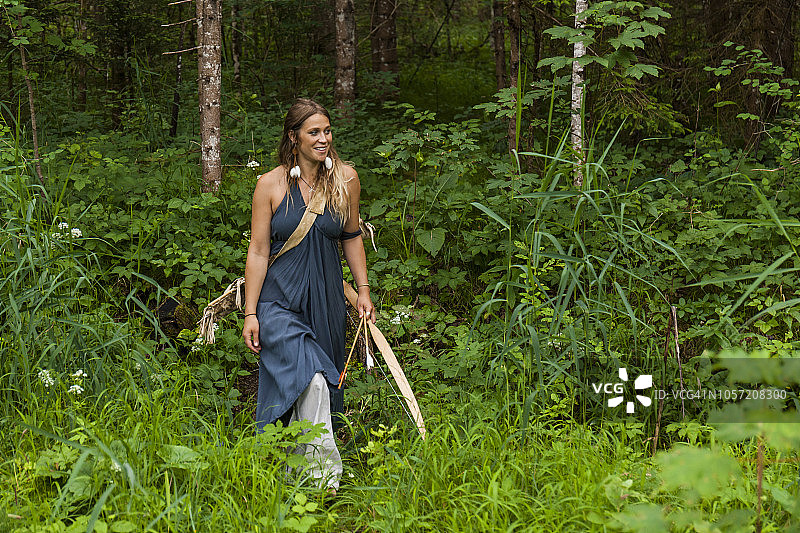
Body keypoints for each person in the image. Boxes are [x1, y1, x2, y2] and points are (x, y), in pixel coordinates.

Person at [241, 98, 375, 492]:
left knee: (318, 385)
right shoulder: (270, 184)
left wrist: (362, 289)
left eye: (327, 131)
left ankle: (292, 471)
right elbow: (259, 251)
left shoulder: (345, 179)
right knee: (312, 377)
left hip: (327, 298)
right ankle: (323, 480)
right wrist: (251, 312)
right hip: (278, 298)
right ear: (293, 137)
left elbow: (351, 236)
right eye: (313, 132)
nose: (323, 139)